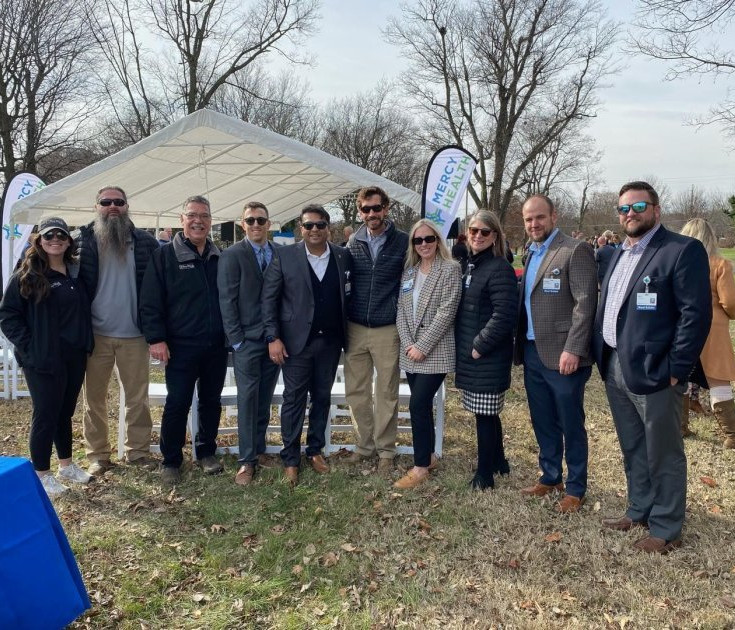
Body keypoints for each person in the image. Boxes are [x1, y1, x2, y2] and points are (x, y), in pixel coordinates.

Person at [594, 181, 711, 554]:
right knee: (633, 445)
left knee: (663, 450)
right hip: (615, 365)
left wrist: (677, 367)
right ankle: (639, 508)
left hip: (657, 371)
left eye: (638, 206)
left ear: (655, 210)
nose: (630, 213)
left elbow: (696, 314)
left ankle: (665, 527)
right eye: (624, 209)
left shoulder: (681, 250)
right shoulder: (618, 254)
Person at [514, 194, 597, 513]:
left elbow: (585, 302)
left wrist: (574, 348)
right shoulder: (529, 253)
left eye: (539, 217)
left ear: (553, 216)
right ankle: (550, 476)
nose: (534, 224)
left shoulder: (575, 250)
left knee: (570, 421)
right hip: (532, 351)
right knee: (543, 419)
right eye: (528, 219)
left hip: (564, 355)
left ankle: (576, 487)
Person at [0, 218, 94, 497]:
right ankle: (42, 473)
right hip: (42, 359)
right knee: (46, 414)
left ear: (68, 241)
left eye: (61, 235)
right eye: (49, 235)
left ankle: (66, 465)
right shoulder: (27, 276)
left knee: (65, 412)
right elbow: (8, 316)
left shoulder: (75, 274)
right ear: (40, 240)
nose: (55, 239)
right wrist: (30, 347)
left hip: (74, 355)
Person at [262, 205, 352, 485]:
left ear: (329, 228)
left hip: (330, 342)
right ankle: (290, 457)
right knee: (294, 400)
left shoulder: (342, 256)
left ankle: (315, 450)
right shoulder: (284, 255)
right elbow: (269, 299)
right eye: (309, 225)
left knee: (322, 398)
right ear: (301, 228)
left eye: (320, 225)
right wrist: (272, 337)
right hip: (295, 343)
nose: (315, 230)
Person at [140, 196, 227, 485]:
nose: (198, 221)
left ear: (211, 221)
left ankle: (205, 452)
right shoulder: (164, 257)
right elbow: (150, 302)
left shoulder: (218, 256)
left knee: (211, 402)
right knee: (177, 403)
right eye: (192, 215)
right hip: (180, 346)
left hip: (215, 345)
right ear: (182, 220)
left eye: (204, 215)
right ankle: (171, 460)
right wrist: (156, 338)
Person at [75, 186, 158, 476]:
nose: (113, 207)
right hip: (95, 335)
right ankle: (98, 455)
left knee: (138, 399)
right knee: (94, 399)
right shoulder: (80, 243)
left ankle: (138, 452)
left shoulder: (146, 243)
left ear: (127, 206)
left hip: (135, 334)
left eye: (118, 202)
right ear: (96, 206)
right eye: (106, 202)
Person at [344, 186, 409, 471]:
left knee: (386, 392)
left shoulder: (403, 242)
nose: (372, 214)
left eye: (376, 208)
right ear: (360, 212)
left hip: (386, 328)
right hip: (355, 327)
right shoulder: (352, 243)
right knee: (356, 391)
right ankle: (364, 444)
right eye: (366, 209)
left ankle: (385, 451)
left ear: (386, 208)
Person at [217, 201, 281, 486]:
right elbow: (226, 301)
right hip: (247, 341)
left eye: (261, 220)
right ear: (242, 224)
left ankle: (258, 449)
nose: (256, 225)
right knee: (247, 398)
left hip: (275, 340)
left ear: (269, 224)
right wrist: (238, 341)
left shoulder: (280, 252)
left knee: (265, 397)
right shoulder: (232, 255)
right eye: (250, 220)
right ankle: (246, 460)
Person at [394, 220, 461, 489]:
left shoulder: (450, 270)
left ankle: (420, 466)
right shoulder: (408, 273)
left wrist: (422, 346)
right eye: (418, 240)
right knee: (421, 407)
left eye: (429, 239)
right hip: (410, 350)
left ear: (438, 240)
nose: (424, 244)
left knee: (417, 405)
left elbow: (447, 311)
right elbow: (400, 309)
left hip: (435, 352)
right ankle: (430, 455)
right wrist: (410, 342)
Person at [454, 211, 518, 490]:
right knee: (488, 413)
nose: (477, 236)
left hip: (486, 354)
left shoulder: (499, 267)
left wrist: (480, 346)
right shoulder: (472, 265)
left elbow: (505, 315)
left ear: (495, 236)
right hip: (473, 353)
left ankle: (484, 475)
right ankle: (499, 462)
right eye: (473, 230)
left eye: (484, 232)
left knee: (484, 414)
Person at [680, 218, 735, 447]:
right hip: (713, 326)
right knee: (719, 380)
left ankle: (680, 426)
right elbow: (730, 301)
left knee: (680, 375)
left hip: (682, 324)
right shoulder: (720, 264)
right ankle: (730, 435)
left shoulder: (677, 263)